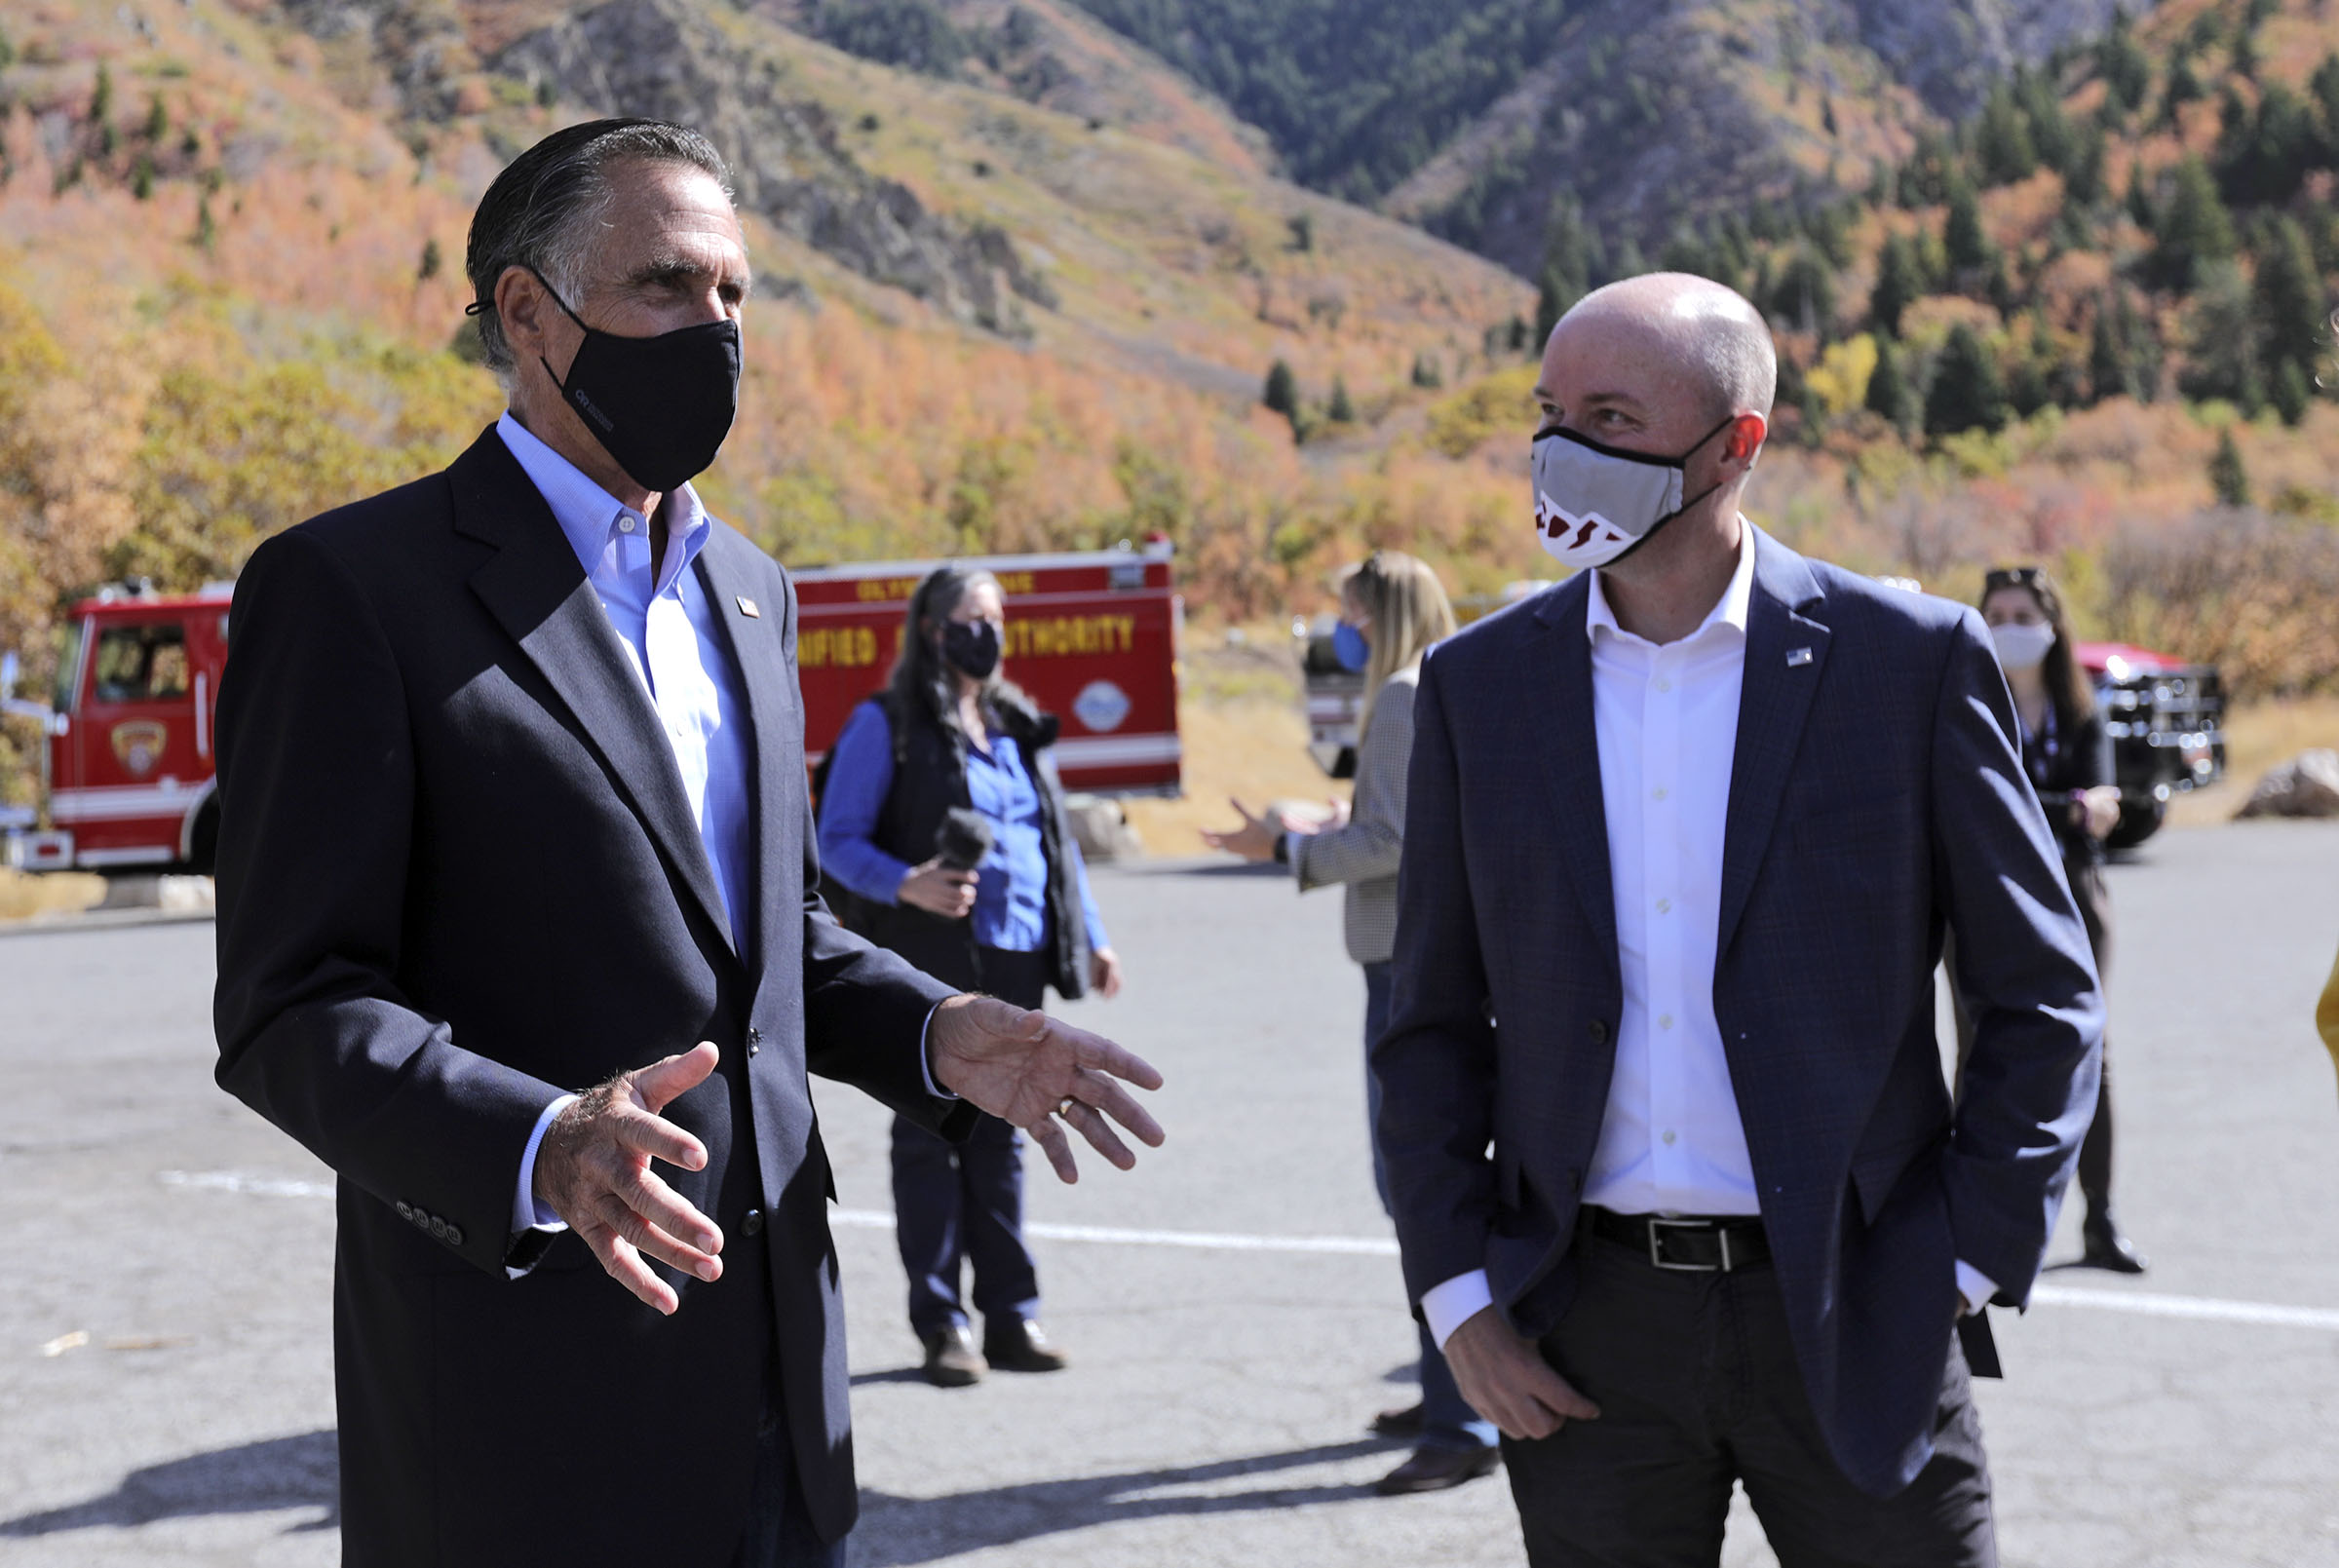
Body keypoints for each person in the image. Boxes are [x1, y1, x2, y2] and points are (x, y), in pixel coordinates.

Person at [210, 119, 1164, 1568]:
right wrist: (536, 1143)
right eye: (668, 286)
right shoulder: (352, 591)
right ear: (527, 313)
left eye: (735, 296)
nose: (715, 330)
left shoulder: (754, 595)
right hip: (522, 1419)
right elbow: (293, 1009)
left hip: (784, 1395)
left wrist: (937, 1033)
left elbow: (772, 937)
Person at [1373, 272, 2102, 1567]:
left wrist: (1964, 1261)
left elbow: (2041, 996)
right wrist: (1458, 1296)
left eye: (1608, 415)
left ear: (1736, 445)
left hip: (1859, 1303)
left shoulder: (1909, 663)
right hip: (1582, 1337)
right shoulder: (1479, 691)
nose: (1561, 452)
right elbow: (1425, 1021)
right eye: (1548, 412)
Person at [1203, 552, 1498, 1495]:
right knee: (1423, 1179)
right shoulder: (1437, 682)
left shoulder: (1406, 695)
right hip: (1414, 961)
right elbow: (1405, 815)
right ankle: (1449, 1382)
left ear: (1384, 612)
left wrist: (1284, 845)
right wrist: (1327, 812)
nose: (1344, 632)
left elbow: (1399, 840)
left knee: (1420, 1182)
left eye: (1353, 615)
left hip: (1406, 963)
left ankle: (1464, 1419)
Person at [816, 564, 1124, 1388]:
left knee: (1006, 1135)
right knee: (930, 1135)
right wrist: (905, 881)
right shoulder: (889, 725)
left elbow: (1054, 842)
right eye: (969, 617)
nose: (986, 632)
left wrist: (1091, 935)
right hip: (930, 965)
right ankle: (942, 1323)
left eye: (996, 617)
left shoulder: (1015, 725)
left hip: (1017, 956)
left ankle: (1012, 1314)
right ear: (931, 628)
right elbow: (833, 838)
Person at [1975, 564, 2145, 1273]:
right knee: (1984, 1053)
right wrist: (2066, 806)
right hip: (1986, 894)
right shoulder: (1972, 702)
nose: (2012, 628)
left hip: (2074, 893)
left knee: (2088, 1051)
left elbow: (2102, 809)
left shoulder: (2081, 709)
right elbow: (1986, 799)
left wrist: (2064, 808)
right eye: (1997, 615)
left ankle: (2100, 1215)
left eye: (2024, 614)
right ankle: (1982, 1220)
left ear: (2050, 625)